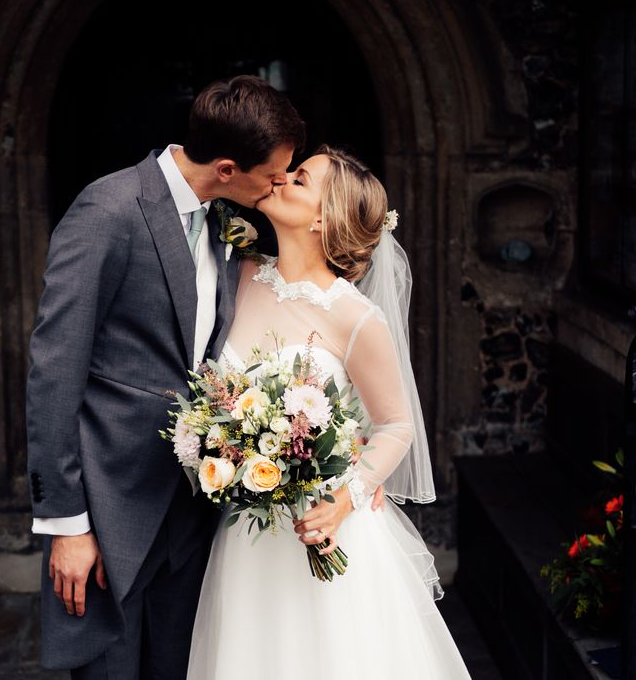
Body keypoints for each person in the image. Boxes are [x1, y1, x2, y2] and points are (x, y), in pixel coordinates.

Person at [24, 75, 305, 678]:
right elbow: (54, 369)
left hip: (192, 510)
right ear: (228, 167)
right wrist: (68, 526)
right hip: (110, 510)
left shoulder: (228, 221)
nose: (279, 185)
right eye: (273, 175)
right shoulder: (109, 209)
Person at [187, 146, 473, 679]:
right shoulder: (237, 274)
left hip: (323, 526)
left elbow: (396, 426)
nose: (281, 178)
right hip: (245, 534)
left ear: (324, 217)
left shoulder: (355, 316)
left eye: (299, 178)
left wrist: (347, 497)